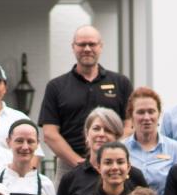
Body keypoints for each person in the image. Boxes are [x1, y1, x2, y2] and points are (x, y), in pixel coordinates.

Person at [39, 25, 133, 168]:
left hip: (113, 165)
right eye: (82, 44)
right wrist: (79, 163)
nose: (87, 49)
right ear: (73, 47)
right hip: (69, 165)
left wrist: (109, 156)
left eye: (92, 44)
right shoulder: (56, 86)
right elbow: (50, 133)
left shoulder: (121, 83)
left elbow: (129, 126)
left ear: (100, 46)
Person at [56, 108, 145, 195]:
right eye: (96, 128)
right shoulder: (70, 179)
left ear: (117, 137)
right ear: (87, 134)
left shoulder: (135, 176)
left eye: (108, 130)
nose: (101, 134)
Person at [124, 87, 177, 195]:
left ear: (158, 115)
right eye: (140, 112)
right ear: (131, 116)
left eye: (151, 111)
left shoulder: (175, 149)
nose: (146, 118)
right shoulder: (122, 149)